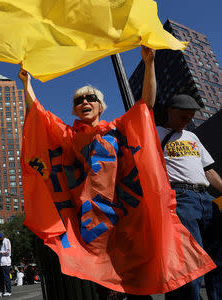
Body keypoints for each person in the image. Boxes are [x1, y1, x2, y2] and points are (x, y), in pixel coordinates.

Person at [19, 46, 157, 299]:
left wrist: (149, 63)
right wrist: (27, 83)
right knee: (102, 280)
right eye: (78, 100)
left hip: (125, 213)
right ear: (74, 110)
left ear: (101, 106)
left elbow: (145, 106)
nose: (84, 102)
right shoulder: (71, 137)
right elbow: (39, 114)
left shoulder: (118, 128)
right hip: (92, 219)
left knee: (135, 279)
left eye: (90, 98)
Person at [157, 94, 222, 300]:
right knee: (188, 260)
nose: (187, 121)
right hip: (180, 198)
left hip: (206, 198)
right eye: (183, 116)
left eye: (191, 117)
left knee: (218, 256)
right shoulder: (155, 133)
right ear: (170, 111)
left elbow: (209, 170)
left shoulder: (192, 137)